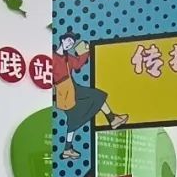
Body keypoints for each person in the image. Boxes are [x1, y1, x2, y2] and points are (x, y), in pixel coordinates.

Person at [52, 32, 129, 160]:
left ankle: (112, 119)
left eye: (72, 43)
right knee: (73, 120)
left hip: (73, 86)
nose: (69, 44)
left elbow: (77, 64)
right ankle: (67, 149)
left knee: (97, 95)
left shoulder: (67, 57)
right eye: (68, 41)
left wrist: (85, 51)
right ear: (62, 40)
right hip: (63, 91)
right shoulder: (53, 57)